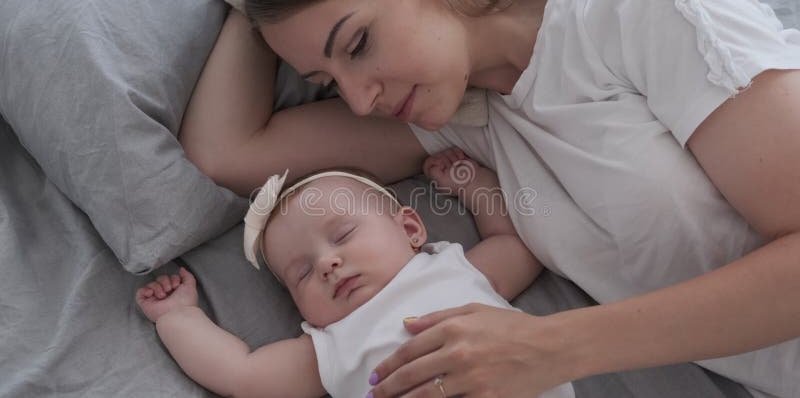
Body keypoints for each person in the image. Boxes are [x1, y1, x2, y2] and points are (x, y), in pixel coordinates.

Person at [178, 0, 800, 396]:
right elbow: (225, 150)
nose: (360, 101)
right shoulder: (467, 118)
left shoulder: (635, 2)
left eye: (359, 44)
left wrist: (551, 349)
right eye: (326, 78)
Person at [136, 151, 575, 398]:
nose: (327, 264)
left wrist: (472, 183)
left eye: (343, 235)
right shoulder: (332, 344)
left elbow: (517, 245)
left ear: (409, 228)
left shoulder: (453, 271)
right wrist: (179, 317)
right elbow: (243, 376)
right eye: (302, 273)